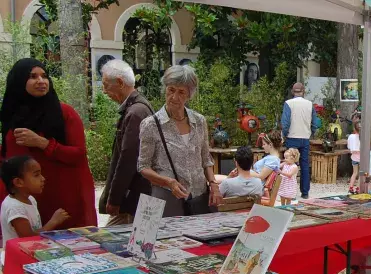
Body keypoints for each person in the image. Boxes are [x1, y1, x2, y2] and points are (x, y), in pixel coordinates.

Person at [0, 58, 97, 229]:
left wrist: (43, 143)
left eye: (44, 76)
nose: (41, 81)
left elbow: (78, 154)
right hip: (25, 202)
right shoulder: (10, 114)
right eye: (33, 76)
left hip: (63, 200)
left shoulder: (64, 113)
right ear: (19, 80)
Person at [138, 65, 222, 217]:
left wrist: (213, 184)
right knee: (163, 240)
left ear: (189, 95)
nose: (174, 97)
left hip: (198, 198)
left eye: (181, 92)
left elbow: (205, 158)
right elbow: (143, 166)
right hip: (165, 199)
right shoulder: (150, 124)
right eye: (171, 90)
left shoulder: (199, 121)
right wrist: (167, 182)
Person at [98, 59, 153, 225]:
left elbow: (127, 159)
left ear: (120, 83)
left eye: (106, 85)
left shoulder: (136, 112)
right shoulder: (138, 107)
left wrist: (115, 198)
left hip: (133, 198)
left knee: (111, 242)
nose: (104, 91)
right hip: (135, 196)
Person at [0, 156, 70, 251]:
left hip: (31, 250)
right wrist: (53, 222)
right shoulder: (14, 207)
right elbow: (28, 237)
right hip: (17, 257)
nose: (43, 178)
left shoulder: (31, 199)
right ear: (18, 182)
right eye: (36, 175)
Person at [281, 83, 320, 199]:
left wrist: (285, 135)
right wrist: (311, 133)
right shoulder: (310, 104)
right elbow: (315, 123)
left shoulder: (288, 103)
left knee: (290, 165)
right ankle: (305, 192)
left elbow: (285, 123)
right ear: (303, 91)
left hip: (292, 137)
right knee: (304, 165)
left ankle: (290, 193)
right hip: (305, 138)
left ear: (293, 92)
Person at [347, 123, 361, 194]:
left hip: (354, 157)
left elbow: (349, 147)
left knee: (354, 173)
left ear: (354, 128)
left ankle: (351, 188)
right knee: (361, 174)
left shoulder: (351, 136)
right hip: (362, 158)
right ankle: (358, 189)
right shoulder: (363, 137)